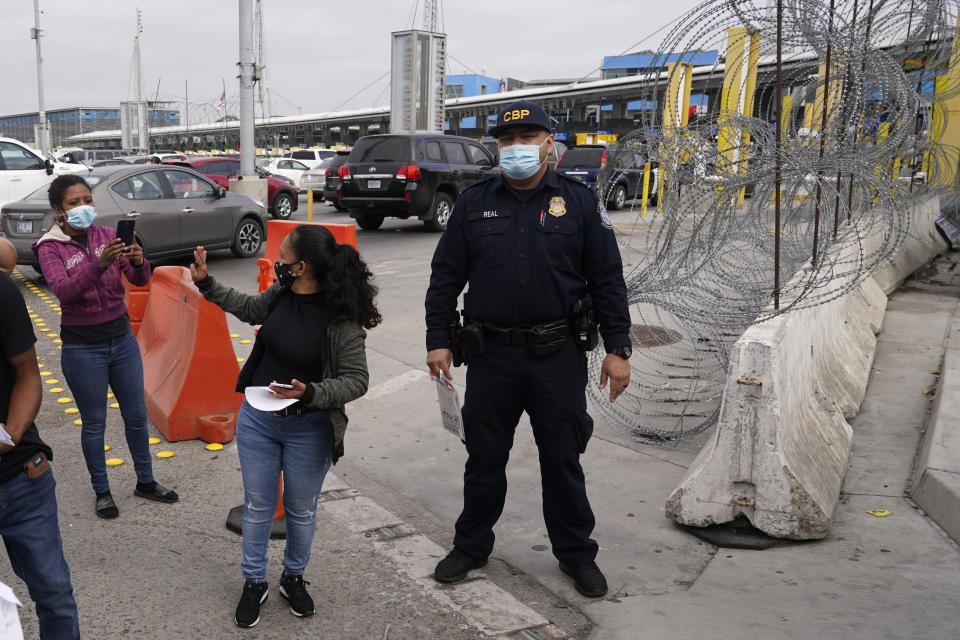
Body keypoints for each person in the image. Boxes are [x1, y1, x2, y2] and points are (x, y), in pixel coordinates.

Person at [424, 100, 632, 598]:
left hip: (556, 356)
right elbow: (445, 278)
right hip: (491, 355)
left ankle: (576, 555)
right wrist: (437, 339)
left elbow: (607, 279)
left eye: (527, 137)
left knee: (562, 459)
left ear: (548, 144)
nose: (516, 147)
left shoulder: (578, 202)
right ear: (498, 146)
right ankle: (471, 546)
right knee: (484, 457)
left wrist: (618, 346)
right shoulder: (474, 204)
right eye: (507, 140)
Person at [190, 224, 379, 628]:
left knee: (299, 510)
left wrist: (309, 392)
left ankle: (293, 577)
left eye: (285, 257)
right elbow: (249, 308)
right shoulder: (280, 293)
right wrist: (207, 283)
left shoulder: (341, 318)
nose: (279, 262)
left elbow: (356, 380)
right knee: (259, 508)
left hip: (308, 427)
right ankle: (254, 581)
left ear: (303, 266)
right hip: (258, 419)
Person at [32, 174, 179, 520]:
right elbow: (65, 292)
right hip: (83, 349)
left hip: (122, 339)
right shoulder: (49, 247)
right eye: (73, 203)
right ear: (58, 210)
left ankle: (146, 481)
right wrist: (98, 265)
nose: (83, 207)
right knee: (95, 423)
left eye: (87, 200)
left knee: (136, 416)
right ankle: (102, 491)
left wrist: (140, 261)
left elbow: (140, 279)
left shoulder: (107, 235)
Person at [0, 268, 80, 638]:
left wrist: (9, 435)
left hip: (21, 480)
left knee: (55, 595)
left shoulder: (2, 289)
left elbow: (28, 374)